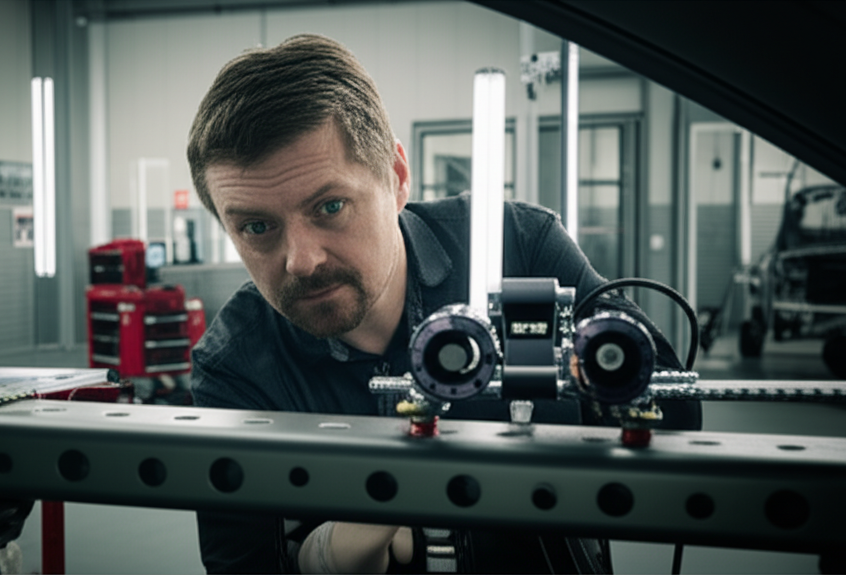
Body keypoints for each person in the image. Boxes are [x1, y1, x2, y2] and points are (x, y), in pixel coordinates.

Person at [187, 33, 700, 574]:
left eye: (330, 206)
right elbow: (239, 563)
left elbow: (677, 416)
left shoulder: (517, 244)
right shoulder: (237, 366)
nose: (301, 260)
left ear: (397, 176)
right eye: (257, 227)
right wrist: (321, 558)